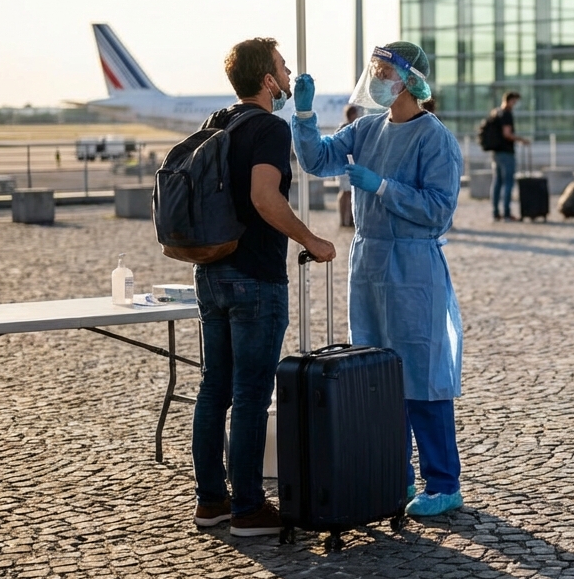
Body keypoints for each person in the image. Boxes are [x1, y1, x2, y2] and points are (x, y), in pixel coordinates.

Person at [291, 41, 466, 518]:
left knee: (420, 375)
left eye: (386, 70)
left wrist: (384, 187)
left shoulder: (436, 139)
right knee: (375, 376)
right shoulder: (366, 128)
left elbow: (437, 211)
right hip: (369, 263)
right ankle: (395, 475)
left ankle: (443, 482)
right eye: (375, 69)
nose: (377, 78)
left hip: (414, 267)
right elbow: (317, 161)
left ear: (411, 81)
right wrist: (304, 117)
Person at [191, 37, 337, 537]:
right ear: (268, 80)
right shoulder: (269, 128)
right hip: (254, 277)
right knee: (251, 394)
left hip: (210, 273)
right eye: (282, 66)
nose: (290, 71)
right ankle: (249, 509)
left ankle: (211, 501)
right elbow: (264, 197)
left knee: (215, 390)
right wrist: (312, 239)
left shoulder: (217, 123)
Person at [487, 91, 531, 222]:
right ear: (510, 100)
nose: (515, 104)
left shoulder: (496, 112)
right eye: (515, 101)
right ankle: (506, 213)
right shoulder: (506, 114)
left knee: (497, 182)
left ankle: (496, 212)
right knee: (508, 183)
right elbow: (507, 134)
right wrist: (521, 140)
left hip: (496, 152)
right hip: (506, 152)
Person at [337, 104, 364, 226]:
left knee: (350, 192)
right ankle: (344, 219)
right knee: (346, 192)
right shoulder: (345, 128)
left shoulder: (353, 128)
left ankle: (351, 219)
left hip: (351, 164)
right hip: (346, 164)